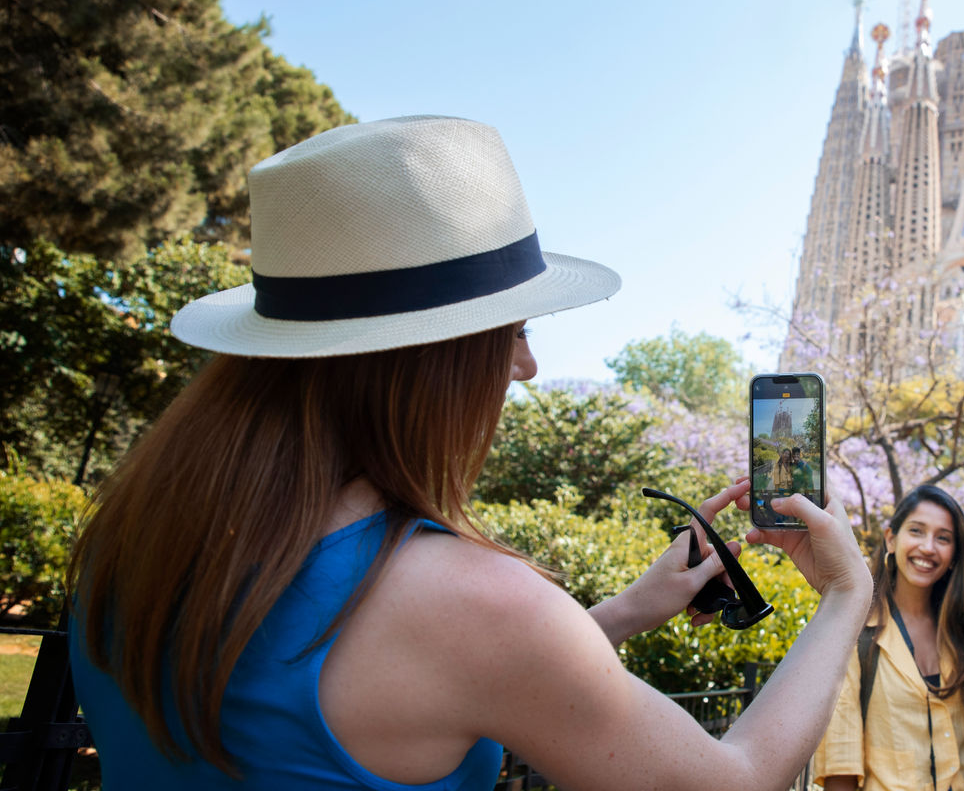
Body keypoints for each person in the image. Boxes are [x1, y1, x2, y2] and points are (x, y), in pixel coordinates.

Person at [66, 115, 872, 790]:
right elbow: (734, 779)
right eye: (515, 332)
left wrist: (623, 613)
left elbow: (390, 688)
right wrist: (844, 593)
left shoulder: (130, 543)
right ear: (430, 358)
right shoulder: (469, 601)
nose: (526, 366)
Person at [813, 485, 964, 791]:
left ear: (955, 554)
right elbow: (840, 766)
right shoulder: (854, 632)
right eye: (917, 531)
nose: (928, 547)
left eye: (943, 538)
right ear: (891, 539)